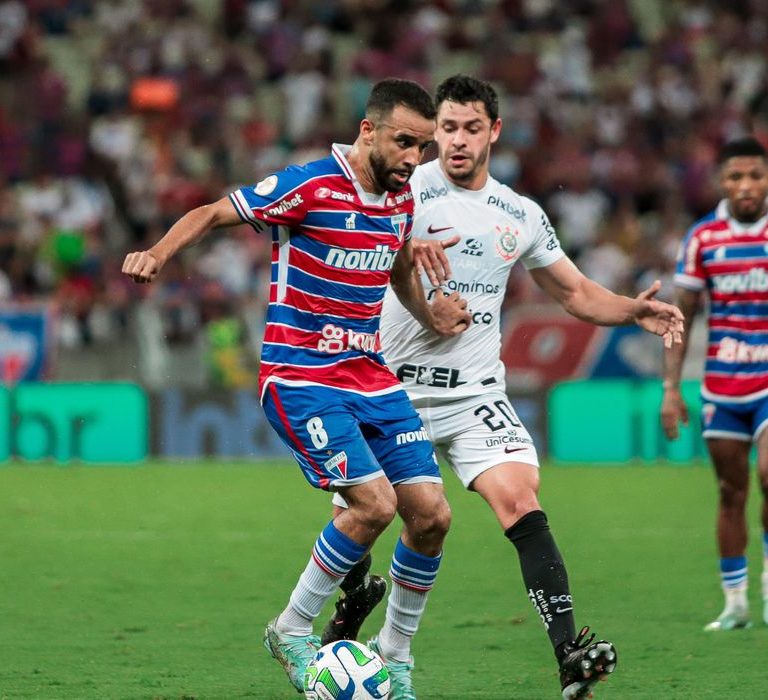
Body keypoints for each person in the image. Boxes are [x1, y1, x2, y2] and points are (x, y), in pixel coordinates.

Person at [323, 75, 685, 700]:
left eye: (469, 128)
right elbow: (347, 233)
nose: (455, 141)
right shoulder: (399, 188)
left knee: (520, 499)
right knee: (386, 520)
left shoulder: (520, 214)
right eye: (446, 128)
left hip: (473, 393)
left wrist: (633, 310)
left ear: (494, 131)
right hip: (389, 387)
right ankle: (349, 601)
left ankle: (560, 653)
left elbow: (574, 291)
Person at [122, 78, 473, 700]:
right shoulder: (309, 185)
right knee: (374, 505)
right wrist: (157, 252)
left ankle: (392, 656)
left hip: (371, 374)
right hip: (301, 375)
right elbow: (210, 212)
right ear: (369, 130)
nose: (414, 160)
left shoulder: (400, 199)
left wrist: (428, 317)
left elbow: (393, 265)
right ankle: (291, 628)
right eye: (404, 143)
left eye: (422, 148)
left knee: (432, 517)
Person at [661, 136, 768, 632]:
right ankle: (736, 602)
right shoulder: (703, 238)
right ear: (722, 182)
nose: (746, 186)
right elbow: (680, 317)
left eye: (755, 175)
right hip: (722, 387)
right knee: (731, 492)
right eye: (735, 177)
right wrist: (670, 389)